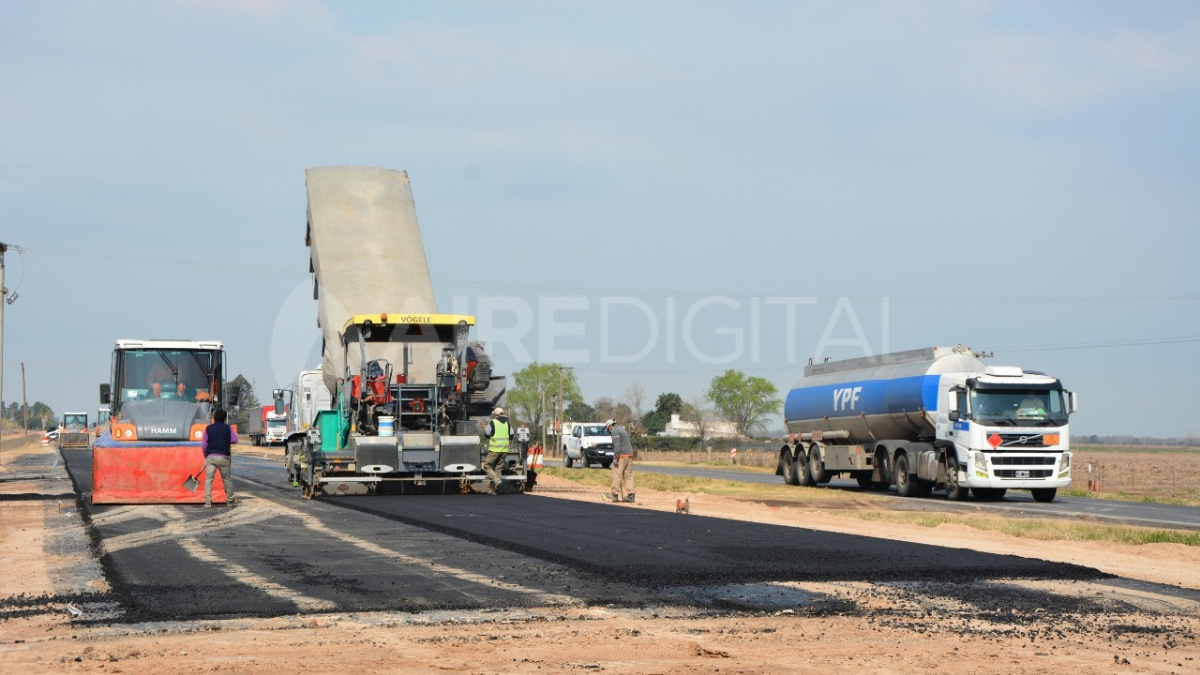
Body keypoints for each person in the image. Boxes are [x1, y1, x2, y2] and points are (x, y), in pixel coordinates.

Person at [202, 408, 239, 508]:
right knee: (227, 479)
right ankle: (230, 500)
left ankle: (208, 502)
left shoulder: (208, 428)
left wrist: (206, 456)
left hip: (211, 457)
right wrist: (225, 439)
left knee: (209, 480)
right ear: (224, 418)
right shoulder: (228, 428)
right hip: (223, 457)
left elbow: (204, 444)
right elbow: (235, 440)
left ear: (214, 418)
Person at [606, 418, 636, 503]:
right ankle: (631, 496)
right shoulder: (622, 430)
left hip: (621, 456)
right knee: (628, 476)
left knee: (616, 474)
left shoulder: (615, 432)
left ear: (611, 426)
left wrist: (615, 458)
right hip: (629, 455)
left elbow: (617, 446)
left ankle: (614, 495)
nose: (609, 430)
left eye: (608, 429)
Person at [482, 407, 511, 494]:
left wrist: (485, 428)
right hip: (504, 449)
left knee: (487, 465)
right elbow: (512, 434)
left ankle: (496, 480)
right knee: (498, 467)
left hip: (495, 449)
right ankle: (495, 490)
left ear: (495, 414)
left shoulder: (493, 422)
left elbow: (487, 435)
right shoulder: (507, 423)